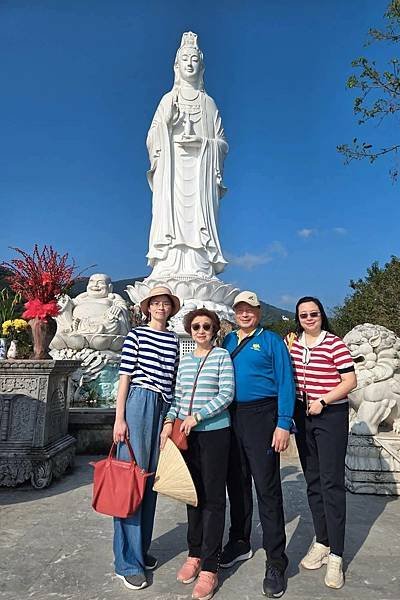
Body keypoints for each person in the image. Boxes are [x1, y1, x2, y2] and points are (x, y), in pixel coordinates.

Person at [220, 291, 295, 599]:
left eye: (250, 309)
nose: (245, 313)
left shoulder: (273, 341)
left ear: (259, 311)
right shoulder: (226, 341)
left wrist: (283, 422)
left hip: (263, 415)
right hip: (230, 415)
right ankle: (239, 539)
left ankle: (276, 560)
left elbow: (286, 381)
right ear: (235, 312)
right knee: (236, 483)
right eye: (240, 309)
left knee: (267, 488)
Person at [161, 308, 234, 600]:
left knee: (214, 499)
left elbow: (227, 393)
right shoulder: (186, 360)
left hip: (215, 432)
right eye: (195, 327)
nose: (201, 331)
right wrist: (169, 421)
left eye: (206, 326)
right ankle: (194, 553)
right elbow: (178, 397)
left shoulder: (221, 357)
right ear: (189, 330)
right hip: (186, 435)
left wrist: (198, 416)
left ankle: (210, 566)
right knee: (192, 495)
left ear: (215, 330)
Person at [285, 296, 356, 590]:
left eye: (314, 313)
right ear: (298, 318)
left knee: (331, 483)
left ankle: (337, 554)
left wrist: (324, 400)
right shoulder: (295, 345)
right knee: (313, 481)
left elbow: (350, 380)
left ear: (321, 315)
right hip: (303, 417)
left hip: (330, 415)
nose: (309, 318)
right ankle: (322, 540)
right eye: (303, 315)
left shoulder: (334, 343)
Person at [112, 285, 180, 590]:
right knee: (132, 481)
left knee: (150, 482)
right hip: (139, 401)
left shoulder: (174, 340)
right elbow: (125, 376)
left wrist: (169, 418)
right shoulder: (136, 335)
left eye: (166, 304)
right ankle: (126, 561)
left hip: (162, 404)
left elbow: (175, 381)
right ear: (147, 307)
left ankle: (140, 550)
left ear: (171, 309)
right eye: (156, 303)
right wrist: (120, 418)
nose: (161, 307)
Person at [146, 31, 229, 279]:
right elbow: (151, 138)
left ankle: (200, 264)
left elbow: (222, 143)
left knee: (198, 218)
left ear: (201, 66)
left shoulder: (208, 103)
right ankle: (169, 263)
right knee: (169, 215)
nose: (190, 64)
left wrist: (204, 144)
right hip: (172, 170)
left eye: (194, 59)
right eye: (185, 59)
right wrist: (167, 125)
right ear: (177, 65)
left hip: (200, 170)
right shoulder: (168, 100)